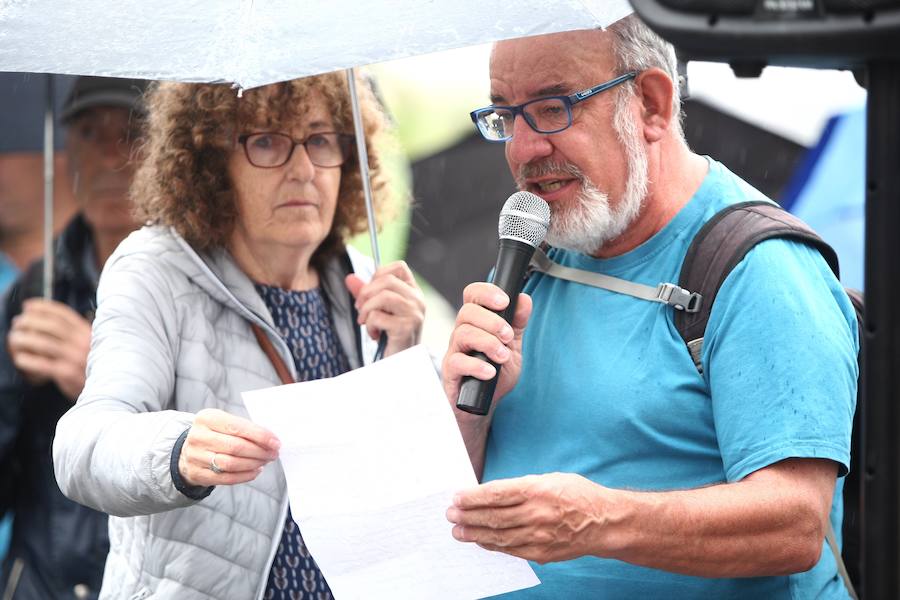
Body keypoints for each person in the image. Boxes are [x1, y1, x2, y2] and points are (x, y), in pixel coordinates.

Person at [442, 15, 858, 599]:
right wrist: (466, 413)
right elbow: (462, 500)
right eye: (505, 115)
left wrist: (600, 521)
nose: (524, 147)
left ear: (652, 104)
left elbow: (795, 523)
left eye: (554, 107)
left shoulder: (758, 267)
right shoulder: (534, 256)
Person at [52, 72, 426, 600]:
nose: (302, 170)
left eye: (320, 140)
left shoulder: (366, 283)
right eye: (267, 141)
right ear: (211, 162)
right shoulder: (154, 269)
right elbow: (81, 447)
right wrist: (176, 450)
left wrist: (402, 362)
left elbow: (404, 498)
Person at [0, 76, 148, 600]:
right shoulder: (34, 293)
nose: (111, 156)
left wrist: (101, 381)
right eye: (89, 132)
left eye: (131, 131)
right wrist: (11, 386)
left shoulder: (202, 285)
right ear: (68, 155)